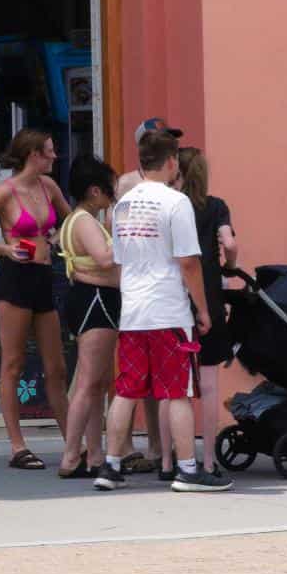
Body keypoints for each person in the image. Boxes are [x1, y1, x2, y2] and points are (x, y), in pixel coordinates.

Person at [93, 131, 231, 492]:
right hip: (168, 310)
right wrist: (202, 309)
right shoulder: (175, 202)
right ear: (171, 162)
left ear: (141, 162)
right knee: (177, 392)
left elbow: (119, 261)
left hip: (133, 310)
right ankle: (187, 470)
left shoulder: (121, 205)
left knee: (127, 389)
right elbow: (188, 262)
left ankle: (110, 466)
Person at [0, 128, 71, 470]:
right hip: (15, 278)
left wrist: (58, 237)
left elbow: (71, 220)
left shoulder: (49, 187)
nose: (54, 156)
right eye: (49, 151)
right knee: (13, 363)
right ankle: (17, 446)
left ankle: (71, 441)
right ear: (33, 154)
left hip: (43, 276)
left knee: (56, 367)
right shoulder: (5, 191)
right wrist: (3, 247)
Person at [113, 115, 184, 476]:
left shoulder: (170, 187)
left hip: (143, 294)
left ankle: (155, 449)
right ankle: (137, 450)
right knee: (147, 385)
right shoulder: (130, 186)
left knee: (143, 384)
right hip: (153, 295)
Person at [55, 154, 119, 479]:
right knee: (88, 382)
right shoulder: (83, 221)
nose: (113, 197)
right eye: (110, 190)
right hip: (96, 302)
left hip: (92, 299)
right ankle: (71, 455)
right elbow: (105, 259)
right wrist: (129, 238)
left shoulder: (75, 220)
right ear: (95, 191)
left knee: (97, 383)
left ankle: (94, 453)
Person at [178, 146, 239, 475]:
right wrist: (230, 267)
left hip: (174, 297)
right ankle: (209, 460)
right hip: (210, 297)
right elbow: (228, 244)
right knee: (210, 382)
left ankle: (169, 459)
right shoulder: (216, 207)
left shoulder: (173, 206)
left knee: (174, 386)